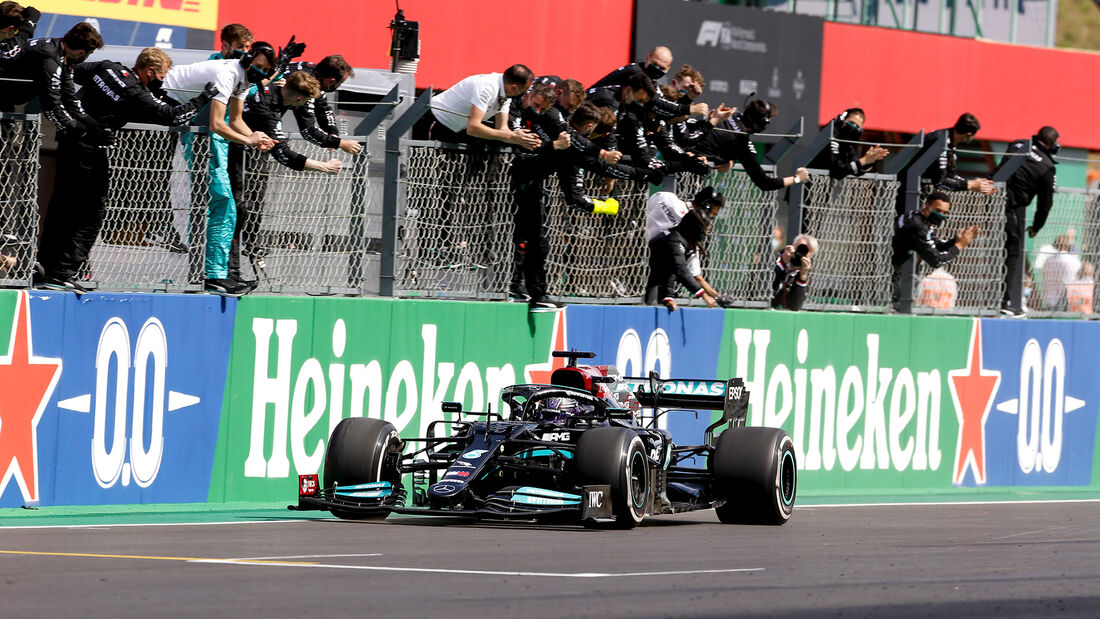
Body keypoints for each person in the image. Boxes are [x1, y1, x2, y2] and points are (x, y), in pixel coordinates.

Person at [35, 47, 218, 291]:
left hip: (67, 141)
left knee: (61, 207)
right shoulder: (136, 92)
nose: (162, 82)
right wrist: (205, 97)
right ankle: (61, 274)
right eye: (161, 77)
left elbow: (70, 72)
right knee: (90, 215)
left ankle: (45, 268)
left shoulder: (108, 66)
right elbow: (175, 116)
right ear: (150, 71)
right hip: (91, 149)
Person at [162, 39, 290, 294]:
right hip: (168, 106)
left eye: (265, 69)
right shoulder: (228, 73)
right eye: (258, 66)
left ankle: (217, 274)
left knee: (225, 204)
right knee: (223, 202)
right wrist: (248, 139)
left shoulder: (244, 79)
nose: (261, 73)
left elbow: (238, 119)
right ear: (248, 59)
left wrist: (257, 137)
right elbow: (218, 124)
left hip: (195, 124)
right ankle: (213, 275)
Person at [228, 70, 345, 285]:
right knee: (235, 212)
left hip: (242, 152)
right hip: (228, 152)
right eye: (307, 101)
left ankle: (234, 270)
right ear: (299, 98)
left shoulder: (276, 93)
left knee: (241, 211)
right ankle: (228, 273)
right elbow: (283, 154)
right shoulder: (268, 109)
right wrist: (323, 167)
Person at [995, 126, 1059, 317]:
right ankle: (1006, 301)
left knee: (993, 248)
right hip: (1009, 207)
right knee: (1013, 251)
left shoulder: (1018, 144)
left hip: (989, 198)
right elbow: (1045, 203)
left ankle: (995, 298)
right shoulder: (1047, 166)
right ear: (1051, 143)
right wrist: (1036, 227)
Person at [0, 22, 102, 134]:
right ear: (81, 52)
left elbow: (69, 95)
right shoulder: (50, 58)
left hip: (8, 95)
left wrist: (90, 122)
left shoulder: (62, 50)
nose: (86, 57)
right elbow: (51, 105)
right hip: (4, 95)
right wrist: (77, 129)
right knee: (5, 133)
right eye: (89, 53)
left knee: (7, 131)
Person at [693, 99, 810, 190]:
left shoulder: (729, 114)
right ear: (763, 123)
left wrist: (731, 161)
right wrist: (797, 178)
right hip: (690, 174)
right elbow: (764, 183)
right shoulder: (742, 142)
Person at [890, 191, 980, 309]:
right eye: (938, 211)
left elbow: (936, 244)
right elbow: (936, 261)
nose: (941, 215)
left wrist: (956, 240)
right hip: (885, 273)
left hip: (891, 270)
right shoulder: (918, 227)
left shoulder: (919, 217)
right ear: (927, 206)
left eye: (945, 212)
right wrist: (959, 246)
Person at [644, 186, 728, 310]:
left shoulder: (668, 199)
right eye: (712, 215)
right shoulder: (682, 225)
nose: (710, 222)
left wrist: (717, 297)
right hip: (638, 251)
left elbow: (695, 275)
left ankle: (665, 297)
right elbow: (683, 270)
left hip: (649, 257)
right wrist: (706, 296)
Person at [899, 113, 995, 214]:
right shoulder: (939, 141)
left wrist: (975, 184)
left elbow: (950, 175)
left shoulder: (950, 141)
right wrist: (969, 185)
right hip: (907, 190)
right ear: (969, 135)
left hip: (917, 190)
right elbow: (940, 181)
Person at [428, 64, 540, 150]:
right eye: (523, 92)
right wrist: (511, 137)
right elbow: (473, 128)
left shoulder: (506, 92)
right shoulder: (487, 87)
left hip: (454, 128)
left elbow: (502, 129)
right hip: (434, 120)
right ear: (513, 88)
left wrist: (518, 137)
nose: (524, 96)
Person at [809, 108, 889, 179]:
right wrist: (863, 161)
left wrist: (869, 161)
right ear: (841, 120)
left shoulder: (848, 144)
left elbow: (855, 170)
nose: (853, 127)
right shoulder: (830, 135)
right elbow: (837, 170)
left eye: (857, 126)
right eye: (851, 122)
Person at [771, 234, 819, 311]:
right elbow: (765, 283)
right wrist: (783, 263)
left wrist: (802, 276)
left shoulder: (807, 274)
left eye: (806, 252)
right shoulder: (775, 258)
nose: (801, 253)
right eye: (800, 248)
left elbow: (795, 306)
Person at [1039, 234, 1080, 311]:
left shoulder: (1048, 260)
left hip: (1050, 297)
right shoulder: (1074, 260)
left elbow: (1043, 275)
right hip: (1067, 298)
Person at [0, 2, 39, 76]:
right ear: (10, 29)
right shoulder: (7, 50)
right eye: (17, 30)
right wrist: (25, 31)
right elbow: (9, 53)